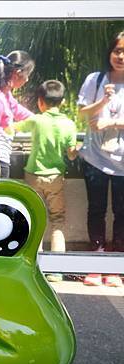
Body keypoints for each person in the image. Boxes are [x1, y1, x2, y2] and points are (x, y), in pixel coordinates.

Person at [12, 80, 78, 282]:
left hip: (33, 175)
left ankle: (36, 267)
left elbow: (12, 128)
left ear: (40, 102)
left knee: (36, 218)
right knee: (57, 220)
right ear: (63, 102)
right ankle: (56, 270)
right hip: (55, 177)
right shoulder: (68, 124)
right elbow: (72, 154)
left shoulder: (37, 121)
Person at [77, 31, 124, 287]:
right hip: (95, 158)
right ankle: (95, 263)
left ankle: (115, 267)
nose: (121, 56)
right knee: (96, 210)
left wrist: (112, 121)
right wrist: (103, 101)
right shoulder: (95, 80)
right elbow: (82, 111)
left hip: (123, 163)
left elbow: (108, 120)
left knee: (122, 213)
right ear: (110, 52)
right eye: (118, 50)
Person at [0, 51, 35, 178]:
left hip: (1, 158)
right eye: (27, 75)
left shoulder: (6, 96)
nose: (27, 80)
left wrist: (42, 120)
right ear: (17, 73)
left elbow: (21, 112)